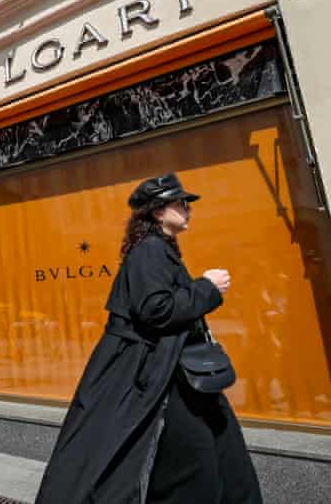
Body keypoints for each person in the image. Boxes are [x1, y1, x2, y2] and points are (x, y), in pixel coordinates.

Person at [35, 173, 262, 504]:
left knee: (213, 450)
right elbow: (155, 309)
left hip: (175, 372)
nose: (188, 209)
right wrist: (207, 288)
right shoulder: (150, 250)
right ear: (158, 211)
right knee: (195, 458)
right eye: (180, 202)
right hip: (161, 373)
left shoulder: (158, 249)